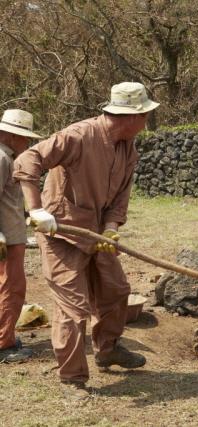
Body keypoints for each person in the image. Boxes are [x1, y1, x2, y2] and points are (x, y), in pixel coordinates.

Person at [13, 82, 159, 400]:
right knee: (73, 309)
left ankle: (107, 350)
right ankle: (73, 379)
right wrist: (36, 210)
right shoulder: (78, 136)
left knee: (116, 290)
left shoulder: (128, 148)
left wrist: (110, 228)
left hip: (95, 235)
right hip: (61, 233)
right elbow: (28, 160)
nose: (147, 120)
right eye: (145, 114)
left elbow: (120, 198)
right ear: (130, 116)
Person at [0, 109, 42, 363]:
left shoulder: (8, 157)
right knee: (11, 287)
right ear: (12, 135)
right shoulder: (2, 159)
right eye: (25, 137)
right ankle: (4, 345)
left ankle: (6, 335)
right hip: (6, 240)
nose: (27, 143)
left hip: (11, 235)